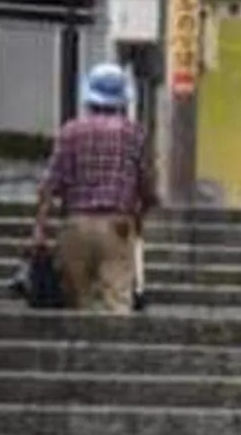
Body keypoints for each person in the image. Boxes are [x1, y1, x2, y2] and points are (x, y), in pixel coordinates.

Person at [32, 62, 155, 314]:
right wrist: (141, 215)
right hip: (117, 225)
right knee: (117, 302)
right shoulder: (134, 134)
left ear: (88, 98)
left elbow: (48, 186)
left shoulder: (70, 131)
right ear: (122, 100)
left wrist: (40, 231)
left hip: (75, 224)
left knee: (78, 302)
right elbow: (146, 186)